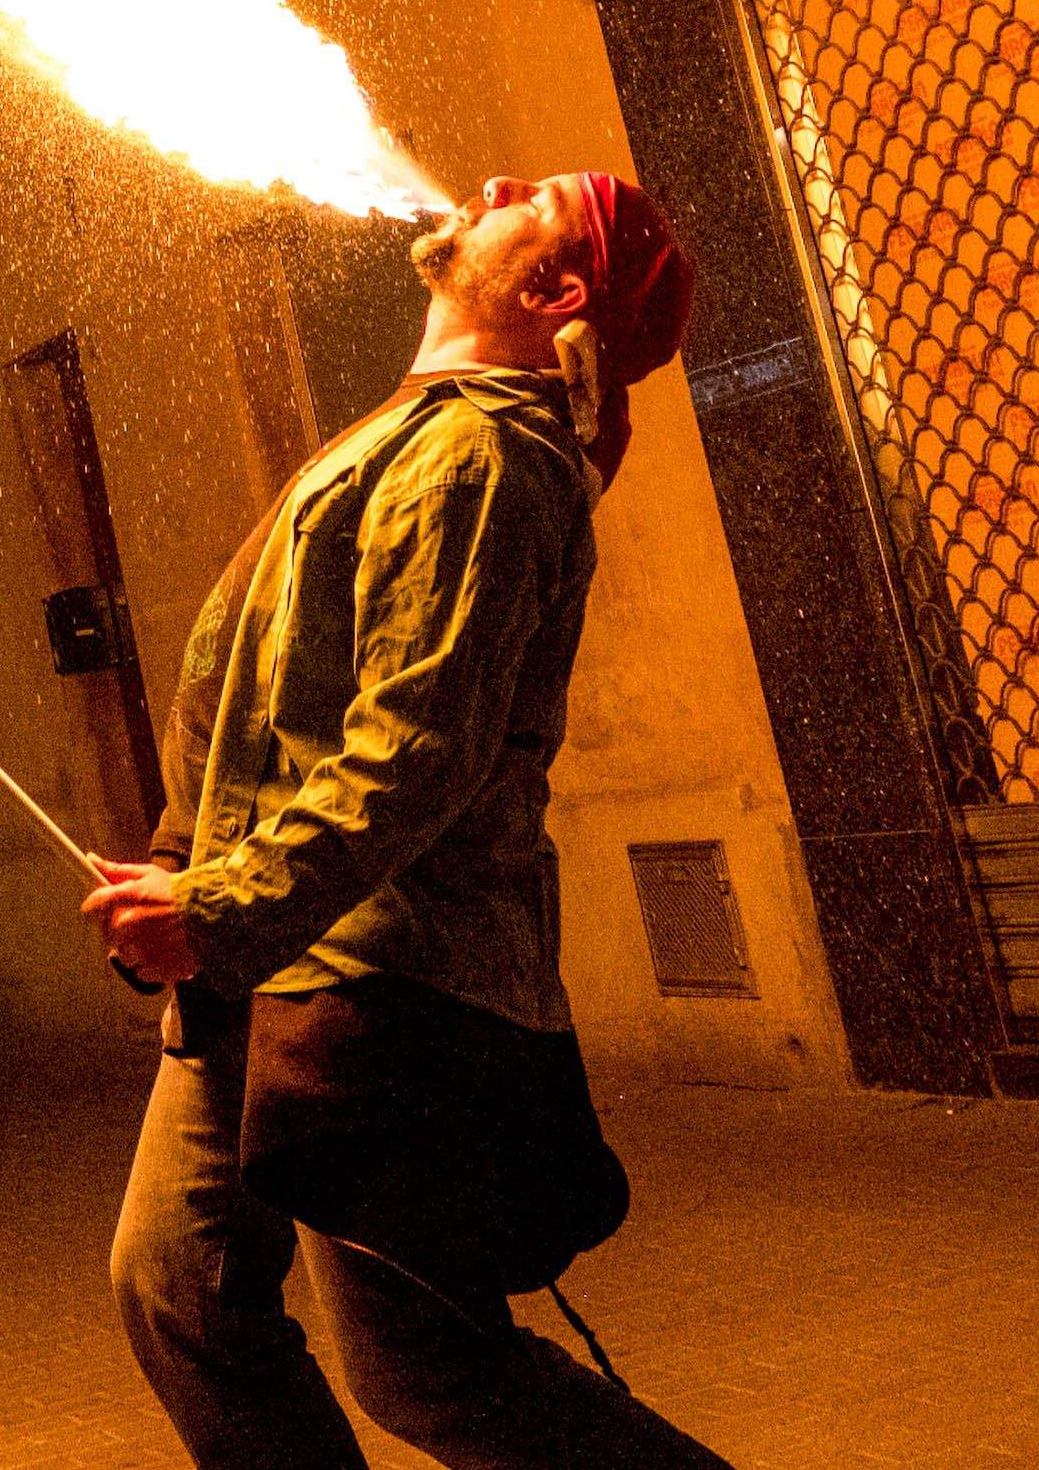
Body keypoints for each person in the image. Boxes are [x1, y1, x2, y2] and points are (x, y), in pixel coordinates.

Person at [85, 171, 735, 1470]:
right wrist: (180, 869)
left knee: (430, 1369)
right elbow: (265, 691)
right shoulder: (417, 434)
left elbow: (415, 749)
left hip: (378, 979)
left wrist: (218, 906)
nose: (492, 185)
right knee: (178, 1286)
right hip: (268, 953)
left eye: (534, 199)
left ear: (555, 288)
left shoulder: (480, 458)